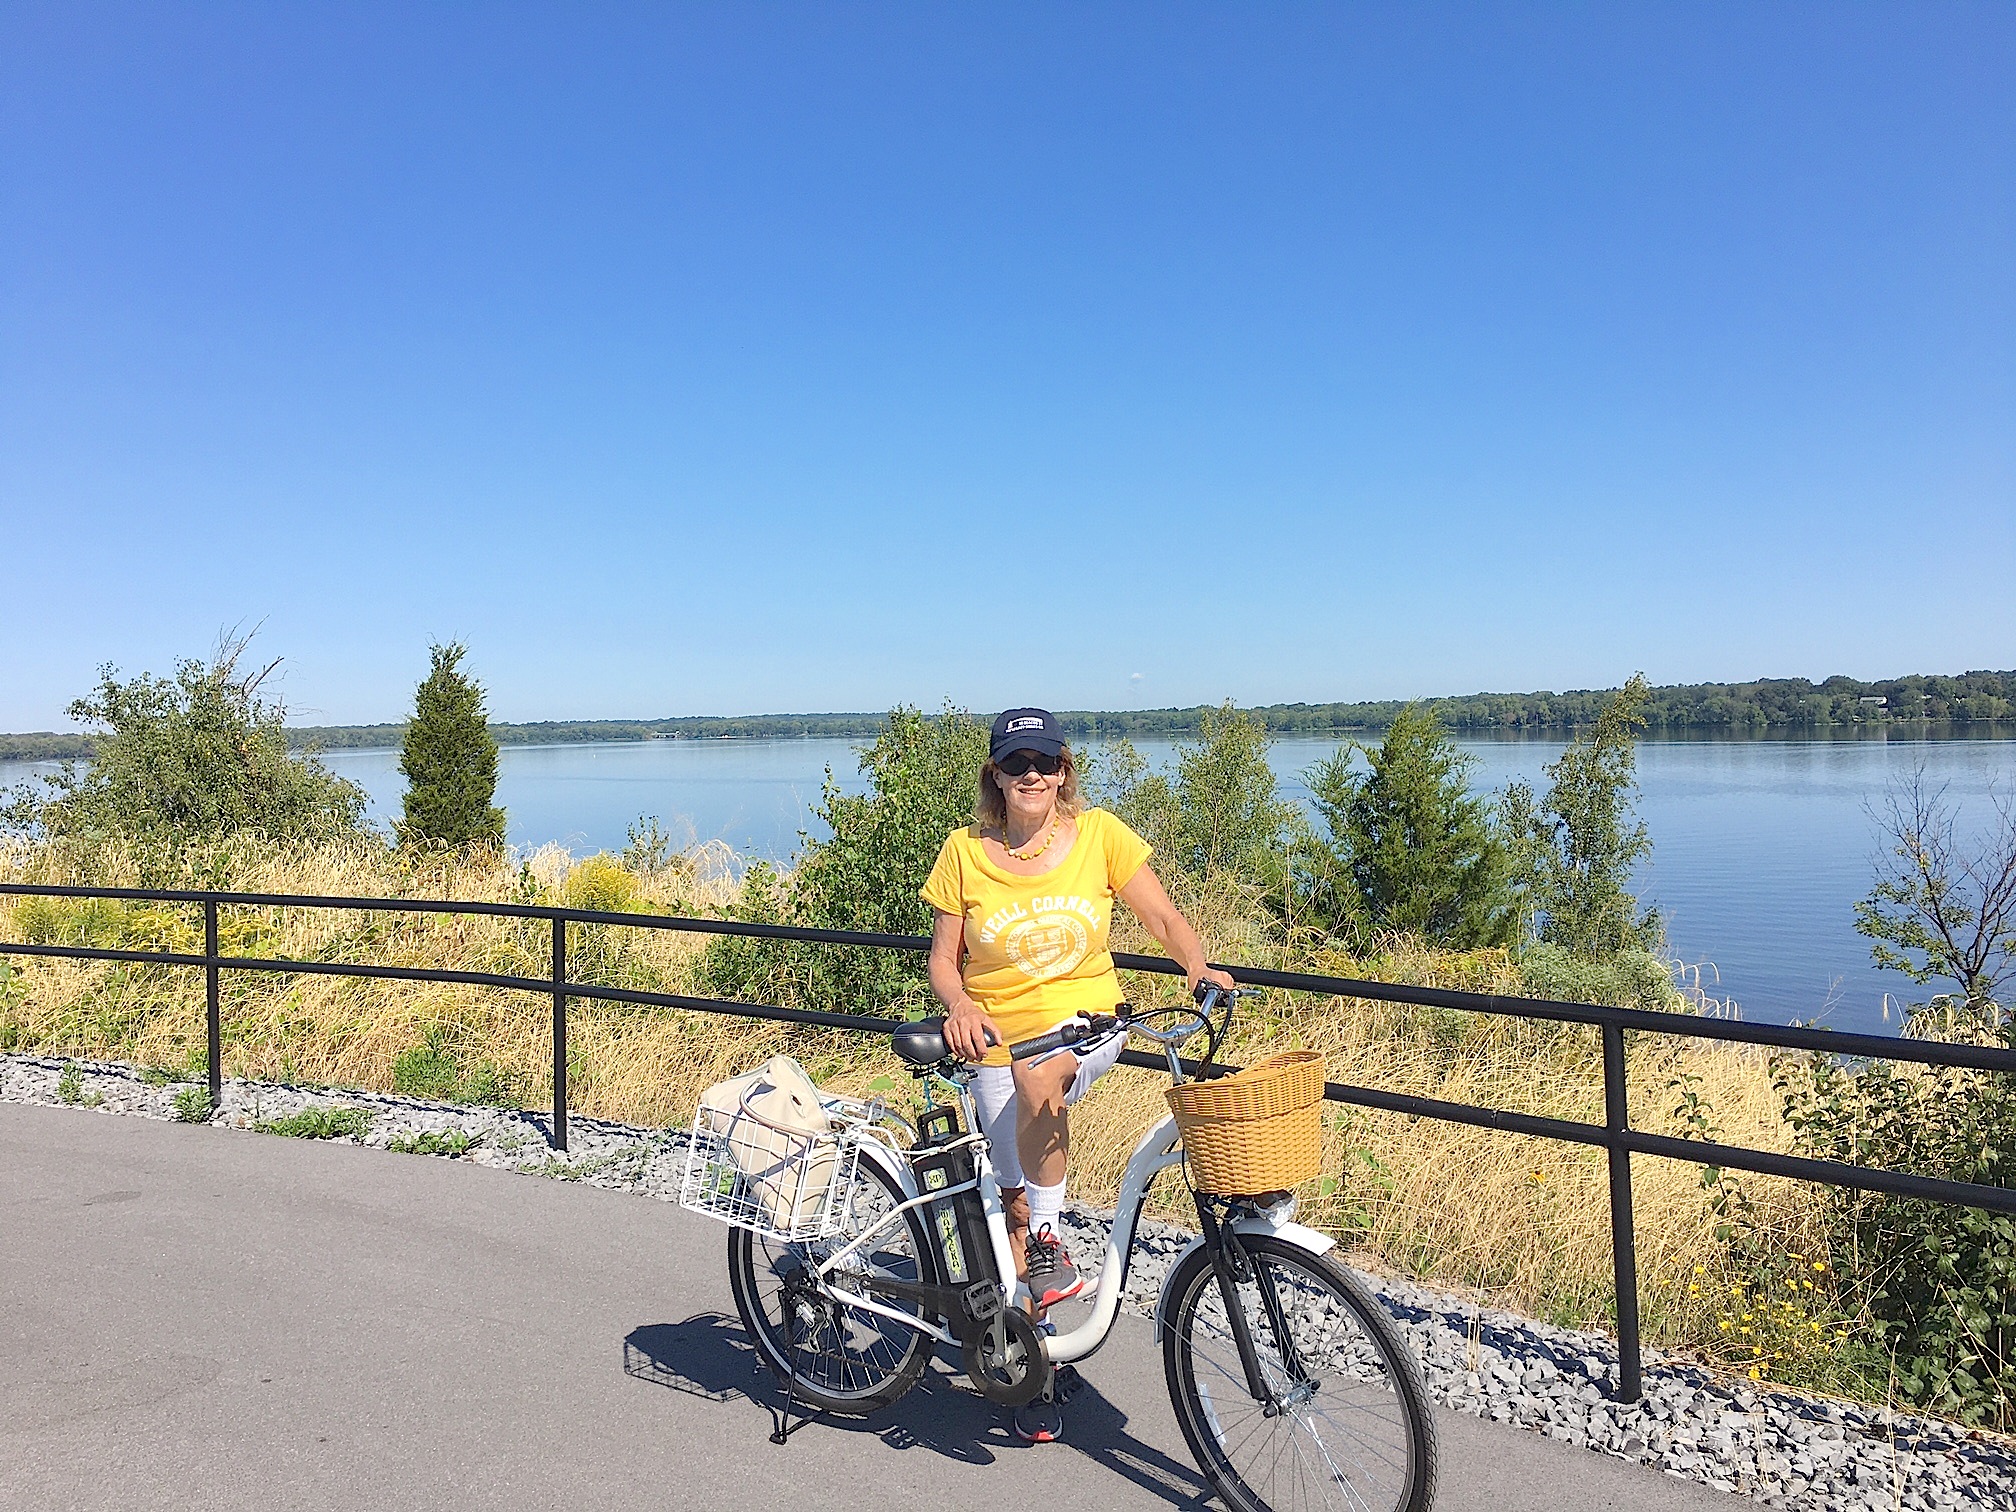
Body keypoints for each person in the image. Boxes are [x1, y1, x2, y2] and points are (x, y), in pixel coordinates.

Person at [921, 706, 1235, 1443]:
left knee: (1042, 1085)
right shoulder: (962, 851)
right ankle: (1036, 1366)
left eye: (1045, 762)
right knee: (1014, 1209)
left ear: (1064, 772)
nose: (1032, 775)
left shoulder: (1100, 835)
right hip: (995, 1038)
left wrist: (1196, 965)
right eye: (1016, 762)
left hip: (1089, 1026)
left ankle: (1054, 1249)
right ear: (994, 775)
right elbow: (943, 959)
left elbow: (1162, 916)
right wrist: (960, 1004)